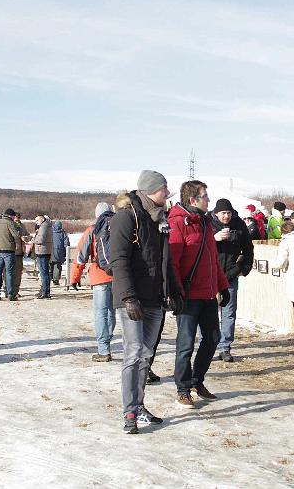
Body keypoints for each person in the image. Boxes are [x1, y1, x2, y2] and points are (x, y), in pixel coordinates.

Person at [110, 171, 181, 434]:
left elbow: (165, 262)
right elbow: (118, 260)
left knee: (146, 354)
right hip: (133, 300)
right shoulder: (126, 218)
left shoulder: (158, 220)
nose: (168, 193)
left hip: (155, 299)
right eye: (165, 189)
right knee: (133, 352)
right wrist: (128, 297)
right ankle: (129, 410)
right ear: (153, 190)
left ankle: (139, 406)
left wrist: (173, 291)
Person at [168, 180, 230, 409]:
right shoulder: (177, 223)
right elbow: (172, 263)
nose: (209, 200)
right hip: (187, 296)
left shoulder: (205, 222)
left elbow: (213, 259)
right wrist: (176, 292)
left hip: (207, 294)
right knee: (185, 345)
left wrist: (222, 286)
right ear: (193, 200)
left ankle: (197, 381)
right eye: (205, 196)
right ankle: (182, 389)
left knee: (213, 338)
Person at [71, 202, 115, 362]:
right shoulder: (119, 226)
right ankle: (107, 342)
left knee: (101, 313)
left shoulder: (92, 230)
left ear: (97, 215)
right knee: (111, 312)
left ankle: (104, 349)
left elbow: (80, 256)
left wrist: (75, 278)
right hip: (117, 276)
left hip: (99, 275)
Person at [211, 198, 254, 362]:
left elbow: (248, 248)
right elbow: (199, 246)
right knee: (209, 314)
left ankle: (225, 348)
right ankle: (208, 346)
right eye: (223, 213)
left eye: (228, 213)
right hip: (210, 276)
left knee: (229, 313)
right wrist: (214, 239)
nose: (226, 216)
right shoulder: (208, 225)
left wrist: (243, 269)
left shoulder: (239, 224)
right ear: (216, 213)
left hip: (230, 274)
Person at [0, 209, 19, 301]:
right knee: (9, 273)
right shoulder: (9, 223)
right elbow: (16, 235)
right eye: (14, 216)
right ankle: (10, 294)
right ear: (11, 216)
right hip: (9, 251)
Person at [33, 215, 54, 299]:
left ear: (42, 219)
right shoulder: (48, 225)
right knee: (45, 273)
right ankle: (45, 291)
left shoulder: (43, 227)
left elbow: (40, 240)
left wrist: (32, 239)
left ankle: (45, 292)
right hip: (45, 250)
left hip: (42, 251)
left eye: (37, 220)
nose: (36, 222)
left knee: (43, 273)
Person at [11, 212, 30, 298]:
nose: (17, 220)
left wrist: (27, 238)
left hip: (20, 252)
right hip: (11, 251)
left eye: (18, 218)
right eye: (16, 218)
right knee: (10, 272)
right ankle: (9, 290)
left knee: (18, 273)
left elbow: (27, 235)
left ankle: (16, 290)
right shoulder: (10, 225)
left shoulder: (22, 225)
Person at [50, 220, 69, 285]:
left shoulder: (50, 232)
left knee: (50, 264)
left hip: (50, 251)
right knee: (57, 266)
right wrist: (66, 251)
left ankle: (49, 277)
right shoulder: (63, 233)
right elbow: (66, 244)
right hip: (59, 252)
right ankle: (56, 279)